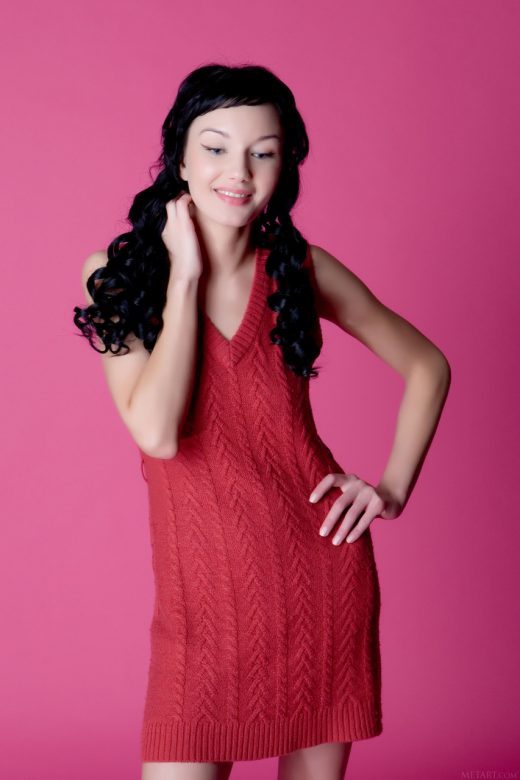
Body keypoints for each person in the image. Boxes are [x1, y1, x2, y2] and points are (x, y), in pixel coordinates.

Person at [73, 63, 451, 780]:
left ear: (286, 166)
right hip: (201, 610)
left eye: (263, 152)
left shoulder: (301, 269)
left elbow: (428, 365)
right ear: (180, 157)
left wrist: (391, 488)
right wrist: (185, 278)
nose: (238, 172)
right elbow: (156, 432)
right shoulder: (118, 276)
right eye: (215, 147)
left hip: (320, 584)